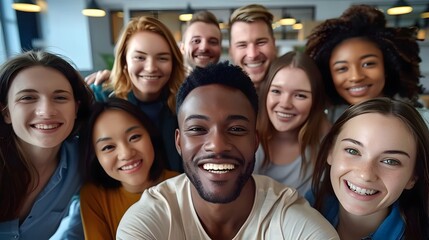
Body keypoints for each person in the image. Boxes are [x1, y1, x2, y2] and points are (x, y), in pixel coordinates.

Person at [117, 61, 339, 239]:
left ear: (255, 141)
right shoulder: (151, 218)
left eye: (236, 128)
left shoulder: (288, 216)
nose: (217, 145)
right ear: (178, 142)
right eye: (197, 128)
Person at [0, 50, 93, 239]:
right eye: (28, 98)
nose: (46, 111)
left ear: (75, 108)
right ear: (6, 112)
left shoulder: (83, 157)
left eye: (60, 98)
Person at [308, 97, 429, 240]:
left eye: (390, 161)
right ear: (330, 151)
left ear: (413, 177)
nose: (365, 174)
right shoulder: (307, 204)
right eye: (353, 151)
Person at [90, 16, 185, 172]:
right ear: (124, 62)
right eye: (140, 57)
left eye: (162, 58)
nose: (151, 68)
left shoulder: (185, 103)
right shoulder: (101, 99)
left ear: (173, 64)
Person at [305, 4, 427, 123]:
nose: (356, 77)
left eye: (368, 64)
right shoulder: (326, 124)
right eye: (342, 68)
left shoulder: (420, 122)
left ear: (387, 67)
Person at [79, 98, 178, 239]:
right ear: (95, 157)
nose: (126, 154)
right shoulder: (94, 196)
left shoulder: (182, 185)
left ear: (151, 136)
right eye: (108, 147)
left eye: (134, 137)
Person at [254, 51, 330, 196]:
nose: (285, 104)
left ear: (315, 102)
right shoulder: (244, 136)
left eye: (300, 95)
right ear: (265, 93)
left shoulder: (325, 145)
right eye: (276, 91)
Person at [229, 4, 277, 90]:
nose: (253, 54)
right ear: (231, 52)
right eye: (242, 45)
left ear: (274, 44)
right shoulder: (220, 98)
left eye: (261, 42)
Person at [180, 10, 222, 75]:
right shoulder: (167, 83)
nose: (204, 48)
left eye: (212, 42)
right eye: (196, 41)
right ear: (182, 48)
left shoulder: (232, 84)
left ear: (220, 48)